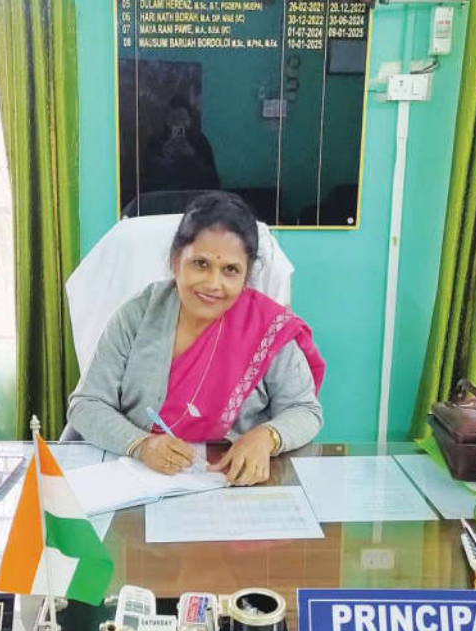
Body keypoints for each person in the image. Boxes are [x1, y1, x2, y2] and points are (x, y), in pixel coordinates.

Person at [64, 192, 325, 485]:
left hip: (235, 483)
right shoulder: (137, 316)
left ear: (246, 275)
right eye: (200, 264)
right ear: (176, 261)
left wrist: (267, 437)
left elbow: (304, 410)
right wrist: (140, 444)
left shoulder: (267, 327)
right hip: (141, 480)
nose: (213, 284)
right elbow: (87, 404)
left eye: (230, 270)